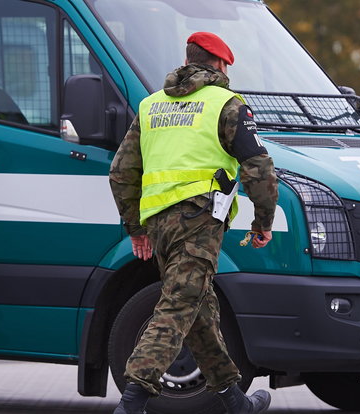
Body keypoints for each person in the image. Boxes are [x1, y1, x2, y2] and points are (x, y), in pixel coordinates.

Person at [108, 32, 278, 414]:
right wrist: (262, 221)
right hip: (200, 222)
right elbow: (259, 169)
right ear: (219, 64)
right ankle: (132, 399)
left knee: (199, 308)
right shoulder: (226, 105)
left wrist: (136, 227)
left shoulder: (151, 106)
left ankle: (234, 400)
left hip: (159, 227)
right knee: (178, 306)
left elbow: (120, 173)